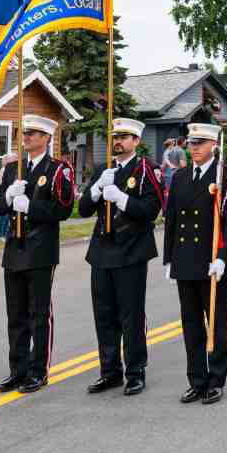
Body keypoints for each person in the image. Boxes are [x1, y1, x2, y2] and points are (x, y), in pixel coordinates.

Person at [79, 118, 162, 397]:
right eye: (116, 137)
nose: (118, 142)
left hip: (131, 251)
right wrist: (97, 189)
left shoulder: (147, 170)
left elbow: (152, 209)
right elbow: (83, 210)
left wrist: (122, 198)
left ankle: (135, 371)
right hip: (102, 251)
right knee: (104, 315)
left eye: (125, 137)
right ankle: (110, 371)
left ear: (137, 141)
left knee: (131, 315)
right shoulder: (104, 170)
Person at [163, 122, 227, 405]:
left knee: (218, 323)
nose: (193, 147)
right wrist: (169, 258)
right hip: (185, 260)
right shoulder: (181, 176)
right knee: (191, 324)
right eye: (191, 143)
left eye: (199, 143)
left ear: (213, 145)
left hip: (213, 263)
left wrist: (222, 258)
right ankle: (196, 380)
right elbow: (172, 219)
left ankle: (216, 379)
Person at [0, 114, 74, 395]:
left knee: (38, 314)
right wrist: (7, 197)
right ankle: (18, 370)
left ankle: (38, 371)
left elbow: (63, 210)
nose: (25, 137)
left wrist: (31, 208)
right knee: (15, 315)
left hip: (40, 249)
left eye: (32, 133)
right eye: (24, 133)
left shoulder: (57, 170)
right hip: (14, 248)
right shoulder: (13, 169)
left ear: (47, 138)